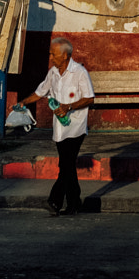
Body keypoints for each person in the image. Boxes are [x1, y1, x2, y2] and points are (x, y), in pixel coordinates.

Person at [19, 36, 95, 216]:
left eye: (54, 54)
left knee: (66, 163)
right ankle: (74, 203)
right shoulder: (53, 72)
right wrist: (24, 102)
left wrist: (68, 106)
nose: (51, 57)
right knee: (67, 166)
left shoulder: (79, 72)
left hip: (75, 125)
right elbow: (40, 92)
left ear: (66, 55)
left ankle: (55, 201)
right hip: (60, 127)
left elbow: (89, 98)